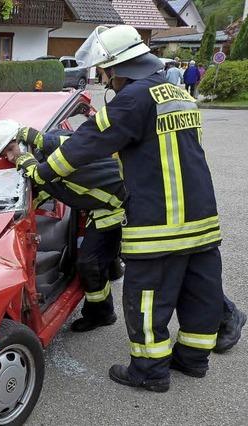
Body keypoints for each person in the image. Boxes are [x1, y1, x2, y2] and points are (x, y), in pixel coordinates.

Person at [15, 24, 244, 392]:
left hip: (159, 223)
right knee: (197, 291)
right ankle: (192, 359)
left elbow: (85, 144)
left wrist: (37, 171)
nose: (105, 81)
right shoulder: (176, 93)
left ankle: (149, 372)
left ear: (115, 68)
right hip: (202, 217)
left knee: (147, 296)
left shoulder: (134, 98)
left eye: (104, 73)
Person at [0, 119, 126, 332]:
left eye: (11, 149)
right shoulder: (43, 153)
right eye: (4, 154)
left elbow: (56, 162)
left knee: (90, 264)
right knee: (94, 263)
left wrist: (32, 164)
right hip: (99, 207)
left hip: (115, 207)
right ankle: (102, 307)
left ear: (23, 142)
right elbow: (40, 194)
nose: (10, 157)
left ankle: (101, 314)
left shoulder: (58, 151)